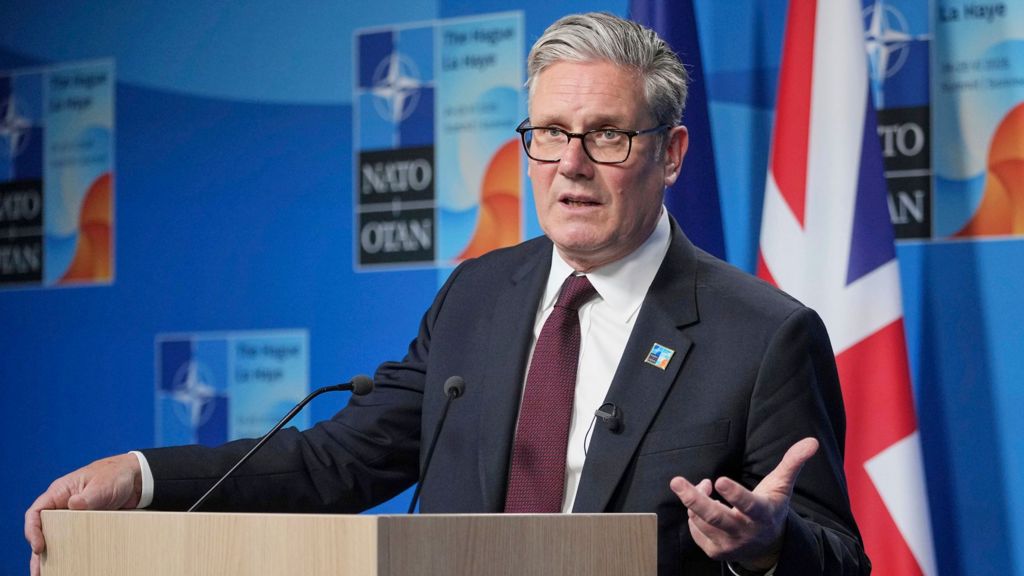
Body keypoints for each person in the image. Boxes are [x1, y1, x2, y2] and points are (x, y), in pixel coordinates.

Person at [25, 12, 869, 576]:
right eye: (546, 134)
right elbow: (338, 460)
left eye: (605, 135)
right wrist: (140, 478)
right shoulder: (477, 296)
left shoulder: (761, 334)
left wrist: (767, 547)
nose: (569, 163)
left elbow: (840, 556)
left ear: (671, 152)